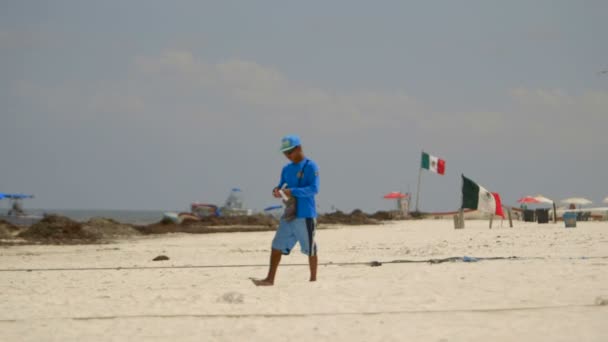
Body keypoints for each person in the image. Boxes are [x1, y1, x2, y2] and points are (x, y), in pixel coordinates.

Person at [252, 135, 320, 286]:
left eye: (289, 152)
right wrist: (276, 191)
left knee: (310, 248)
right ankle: (270, 279)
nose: (287, 155)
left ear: (299, 148)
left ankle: (313, 280)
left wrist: (292, 191)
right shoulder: (286, 169)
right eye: (285, 153)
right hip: (289, 214)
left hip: (306, 214)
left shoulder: (311, 166)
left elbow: (314, 189)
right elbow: (281, 185)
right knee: (276, 245)